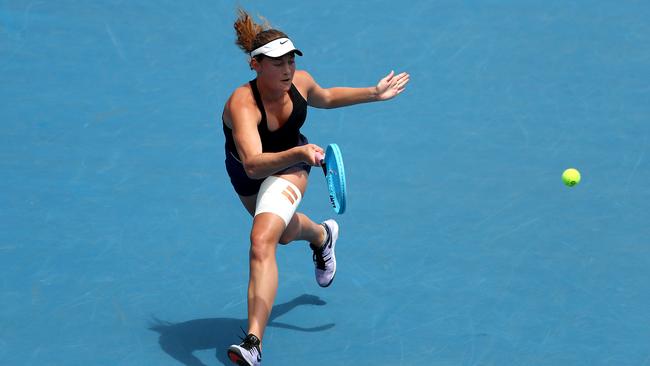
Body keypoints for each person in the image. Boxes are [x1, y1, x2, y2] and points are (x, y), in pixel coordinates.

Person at [221, 9, 409, 366]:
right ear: (255, 64)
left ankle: (253, 342)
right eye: (278, 63)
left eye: (291, 60)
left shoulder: (300, 82)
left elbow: (325, 95)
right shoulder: (242, 104)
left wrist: (374, 92)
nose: (288, 70)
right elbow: (252, 163)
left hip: (292, 166)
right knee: (283, 233)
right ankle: (322, 235)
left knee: (261, 240)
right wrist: (299, 150)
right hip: (250, 171)